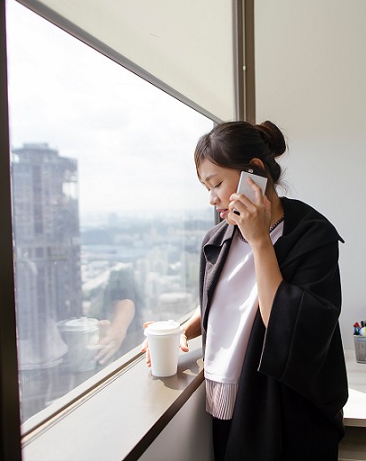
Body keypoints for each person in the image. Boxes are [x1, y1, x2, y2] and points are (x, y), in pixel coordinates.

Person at [147, 120, 348, 460]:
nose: (212, 199)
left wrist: (259, 241)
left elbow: (288, 330)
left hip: (288, 416)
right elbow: (228, 302)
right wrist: (181, 331)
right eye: (206, 188)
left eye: (216, 184)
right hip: (228, 409)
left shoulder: (313, 237)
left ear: (252, 172)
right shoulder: (217, 240)